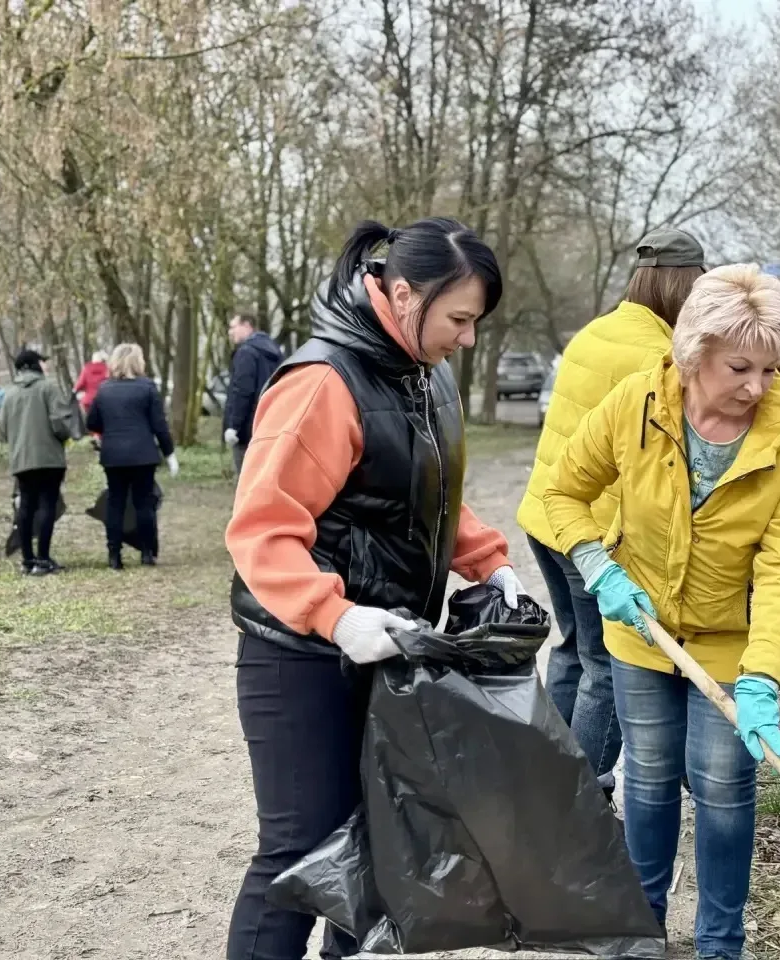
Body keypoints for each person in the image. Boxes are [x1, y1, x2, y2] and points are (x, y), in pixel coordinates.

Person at [224, 217, 525, 960]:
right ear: (404, 294)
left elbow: (425, 491)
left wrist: (490, 562)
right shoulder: (322, 384)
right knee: (302, 851)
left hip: (387, 649)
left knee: (375, 840)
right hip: (300, 655)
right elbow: (262, 530)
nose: (468, 339)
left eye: (476, 323)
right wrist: (335, 615)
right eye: (459, 319)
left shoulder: (425, 371)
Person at [541, 264, 780, 959]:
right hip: (640, 632)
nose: (757, 387)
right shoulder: (635, 404)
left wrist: (762, 677)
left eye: (770, 368)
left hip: (729, 645)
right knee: (649, 775)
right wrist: (597, 565)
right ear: (695, 354)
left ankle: (720, 943)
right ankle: (643, 927)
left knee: (724, 786)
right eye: (739, 368)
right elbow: (563, 491)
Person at [515, 227, 706, 797]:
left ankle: (540, 780)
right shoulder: (659, 357)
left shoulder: (593, 332)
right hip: (589, 534)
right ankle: (576, 801)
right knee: (604, 664)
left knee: (572, 650)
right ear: (684, 286)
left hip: (546, 518)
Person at [85, 342, 178, 569]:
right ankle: (147, 552)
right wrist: (169, 453)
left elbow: (92, 422)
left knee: (115, 503)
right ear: (139, 362)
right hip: (143, 454)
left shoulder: (104, 389)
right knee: (144, 503)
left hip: (113, 455)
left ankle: (114, 555)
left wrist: (110, 427)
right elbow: (159, 425)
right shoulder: (147, 388)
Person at [0, 348, 71, 575]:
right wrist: (64, 435)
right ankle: (43, 558)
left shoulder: (9, 394)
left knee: (26, 506)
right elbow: (60, 423)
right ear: (34, 364)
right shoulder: (49, 388)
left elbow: (1, 429)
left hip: (21, 460)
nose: (46, 366)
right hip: (49, 458)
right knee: (48, 504)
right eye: (42, 361)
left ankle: (28, 560)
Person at [223, 312, 283, 476]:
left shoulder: (246, 352)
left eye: (233, 327)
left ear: (247, 325)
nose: (230, 332)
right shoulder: (275, 352)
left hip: (246, 431)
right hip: (271, 426)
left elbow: (242, 391)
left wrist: (234, 426)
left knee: (245, 479)